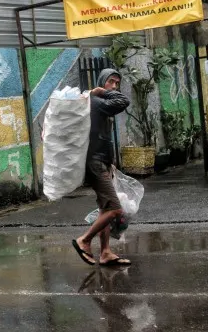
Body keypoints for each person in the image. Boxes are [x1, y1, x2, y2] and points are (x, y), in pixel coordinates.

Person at [72, 68, 131, 267]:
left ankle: (105, 252)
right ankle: (85, 240)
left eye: (117, 83)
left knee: (103, 207)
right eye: (111, 82)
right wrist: (101, 92)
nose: (114, 86)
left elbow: (102, 138)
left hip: (101, 161)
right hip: (94, 163)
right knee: (114, 209)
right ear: (102, 82)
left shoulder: (98, 104)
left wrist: (110, 161)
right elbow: (123, 101)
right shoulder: (96, 102)